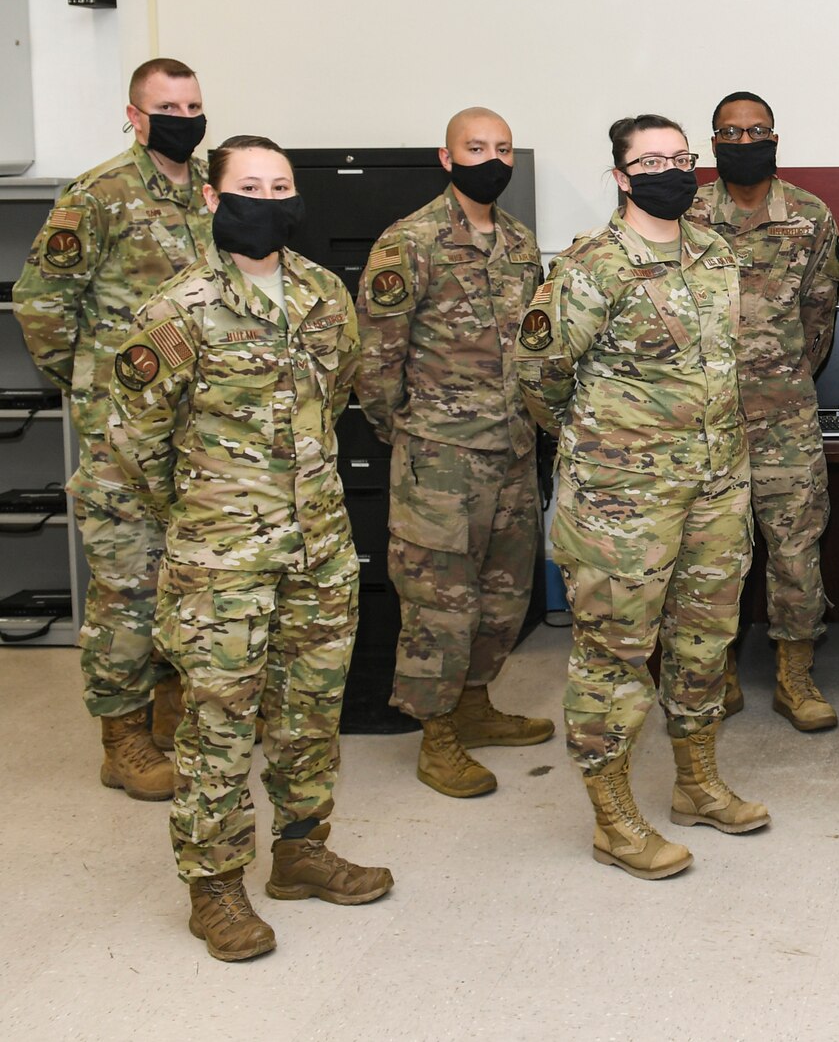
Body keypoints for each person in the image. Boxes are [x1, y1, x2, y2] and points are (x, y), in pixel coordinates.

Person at [104, 136, 392, 963]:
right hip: (219, 557)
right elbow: (136, 443)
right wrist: (205, 511)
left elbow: (336, 396)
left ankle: (300, 850)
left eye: (281, 186)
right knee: (218, 722)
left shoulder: (322, 292)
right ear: (212, 198)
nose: (268, 200)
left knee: (308, 711)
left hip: (318, 547)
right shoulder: (177, 307)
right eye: (250, 186)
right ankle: (215, 884)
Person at [517, 115, 767, 881]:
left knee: (704, 640)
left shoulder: (717, 253)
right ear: (622, 176)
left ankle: (695, 782)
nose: (669, 169)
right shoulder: (593, 267)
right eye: (649, 159)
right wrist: (604, 447)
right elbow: (539, 376)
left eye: (679, 157)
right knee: (614, 655)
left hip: (716, 485)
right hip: (624, 501)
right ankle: (613, 816)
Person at [16, 57, 210, 802]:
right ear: (136, 115)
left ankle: (171, 709)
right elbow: (42, 303)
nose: (185, 115)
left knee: (185, 578)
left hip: (196, 433)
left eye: (194, 103)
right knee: (127, 586)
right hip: (122, 438)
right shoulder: (100, 194)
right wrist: (94, 387)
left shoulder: (213, 190)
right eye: (169, 104)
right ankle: (121, 736)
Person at [355, 107, 551, 798]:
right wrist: (408, 431)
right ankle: (437, 735)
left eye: (502, 148)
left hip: (514, 451)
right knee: (440, 604)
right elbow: (376, 363)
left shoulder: (522, 245)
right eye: (476, 147)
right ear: (447, 157)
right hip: (439, 457)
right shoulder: (409, 242)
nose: (492, 158)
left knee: (504, 595)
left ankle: (474, 703)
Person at [686, 92, 839, 731]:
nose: (745, 142)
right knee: (711, 548)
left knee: (795, 547)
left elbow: (820, 314)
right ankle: (714, 670)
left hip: (785, 416)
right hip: (702, 418)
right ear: (713, 140)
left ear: (775, 136)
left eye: (758, 131)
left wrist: (780, 377)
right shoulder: (685, 212)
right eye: (731, 132)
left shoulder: (810, 215)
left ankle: (794, 673)